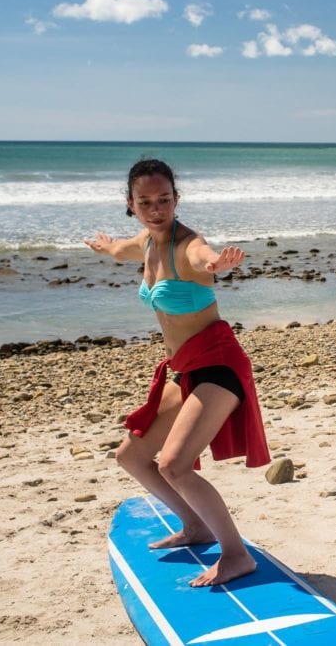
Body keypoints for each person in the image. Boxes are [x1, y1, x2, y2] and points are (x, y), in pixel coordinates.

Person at [84, 159, 271, 587]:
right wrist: (106, 245)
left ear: (176, 199)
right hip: (185, 368)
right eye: (145, 202)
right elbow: (119, 250)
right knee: (130, 456)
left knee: (174, 464)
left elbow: (202, 257)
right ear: (131, 204)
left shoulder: (188, 245)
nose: (156, 209)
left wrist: (216, 264)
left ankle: (236, 554)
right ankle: (195, 525)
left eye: (164, 199)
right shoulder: (145, 244)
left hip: (219, 366)